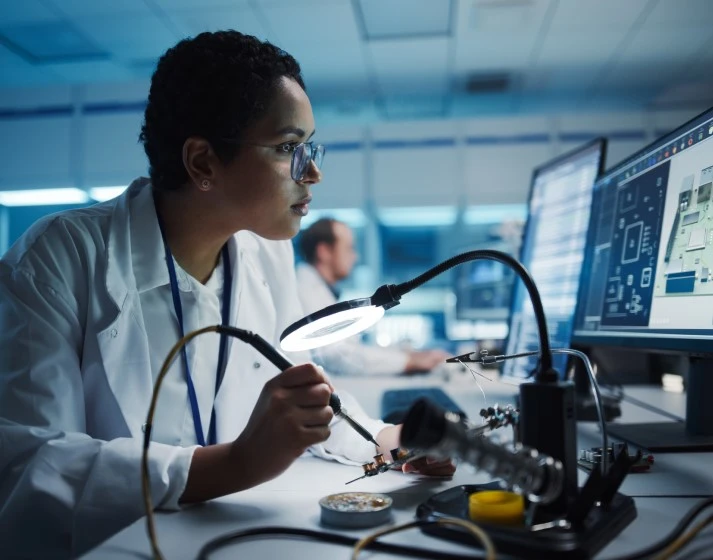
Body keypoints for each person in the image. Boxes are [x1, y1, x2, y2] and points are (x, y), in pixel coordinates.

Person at [0, 31, 454, 559]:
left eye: (309, 146)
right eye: (288, 148)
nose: (312, 171)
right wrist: (234, 465)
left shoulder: (265, 254)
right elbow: (28, 466)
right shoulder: (59, 258)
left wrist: (383, 440)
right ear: (203, 164)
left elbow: (303, 397)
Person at [296, 218, 450, 376]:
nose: (355, 257)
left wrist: (409, 356)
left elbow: (351, 350)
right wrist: (408, 362)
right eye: (349, 248)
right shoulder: (306, 290)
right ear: (324, 251)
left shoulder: (318, 289)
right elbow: (338, 356)